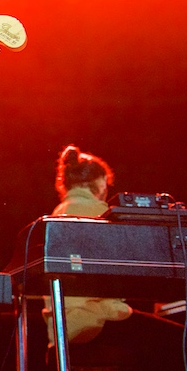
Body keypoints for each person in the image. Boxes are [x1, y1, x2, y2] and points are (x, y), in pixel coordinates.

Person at [42, 145, 132, 346]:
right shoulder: (102, 214)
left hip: (60, 333)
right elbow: (114, 285)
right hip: (92, 325)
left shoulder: (55, 215)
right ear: (100, 183)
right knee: (172, 337)